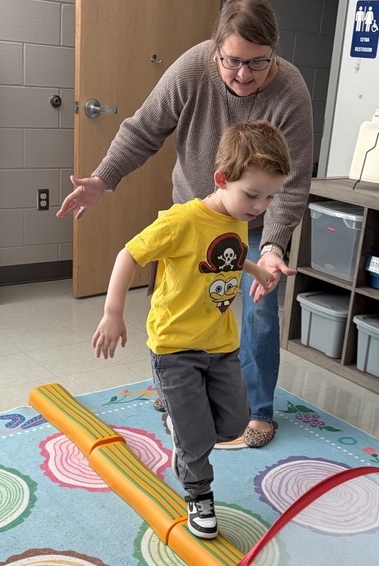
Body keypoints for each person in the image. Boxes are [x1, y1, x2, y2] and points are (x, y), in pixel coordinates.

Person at [58, 0, 314, 448]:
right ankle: (175, 386)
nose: (242, 74)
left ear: (273, 53)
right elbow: (144, 128)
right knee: (176, 300)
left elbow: (293, 181)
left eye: (257, 62)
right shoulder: (194, 67)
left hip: (253, 221)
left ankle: (257, 411)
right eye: (232, 60)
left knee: (256, 307)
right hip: (193, 211)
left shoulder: (290, 90)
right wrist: (103, 177)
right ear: (216, 47)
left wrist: (273, 248)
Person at [92, 120, 292, 540]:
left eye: (270, 197)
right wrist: (113, 312)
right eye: (252, 195)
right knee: (198, 437)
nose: (259, 206)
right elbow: (129, 254)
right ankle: (199, 494)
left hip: (220, 345)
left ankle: (181, 431)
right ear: (222, 180)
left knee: (235, 423)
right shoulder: (182, 221)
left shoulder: (238, 215)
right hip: (176, 347)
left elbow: (230, 255)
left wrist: (256, 267)